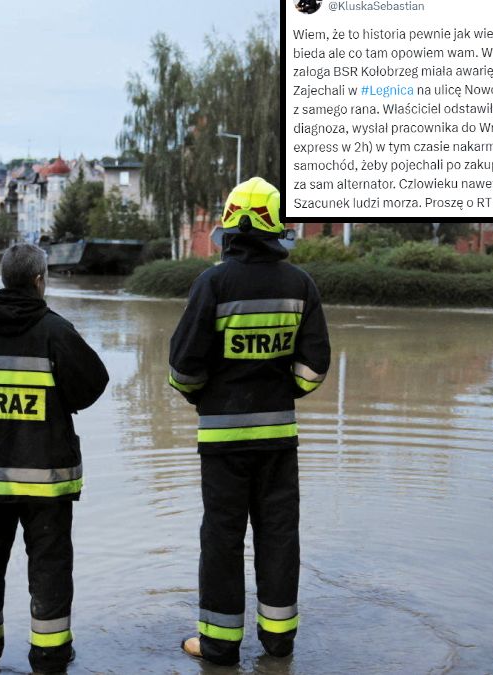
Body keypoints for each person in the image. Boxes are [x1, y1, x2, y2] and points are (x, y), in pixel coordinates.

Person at [168, 177, 331, 666]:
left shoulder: (212, 284)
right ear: (276, 226)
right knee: (279, 535)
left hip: (223, 440)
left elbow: (183, 369)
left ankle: (218, 647)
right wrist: (284, 393)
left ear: (230, 225)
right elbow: (315, 365)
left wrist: (207, 400)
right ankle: (278, 644)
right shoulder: (300, 284)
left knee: (221, 537)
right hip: (279, 438)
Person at [0, 242, 108, 675]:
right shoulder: (56, 332)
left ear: (2, 279)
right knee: (49, 567)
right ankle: (49, 659)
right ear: (38, 281)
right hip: (44, 482)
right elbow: (92, 386)